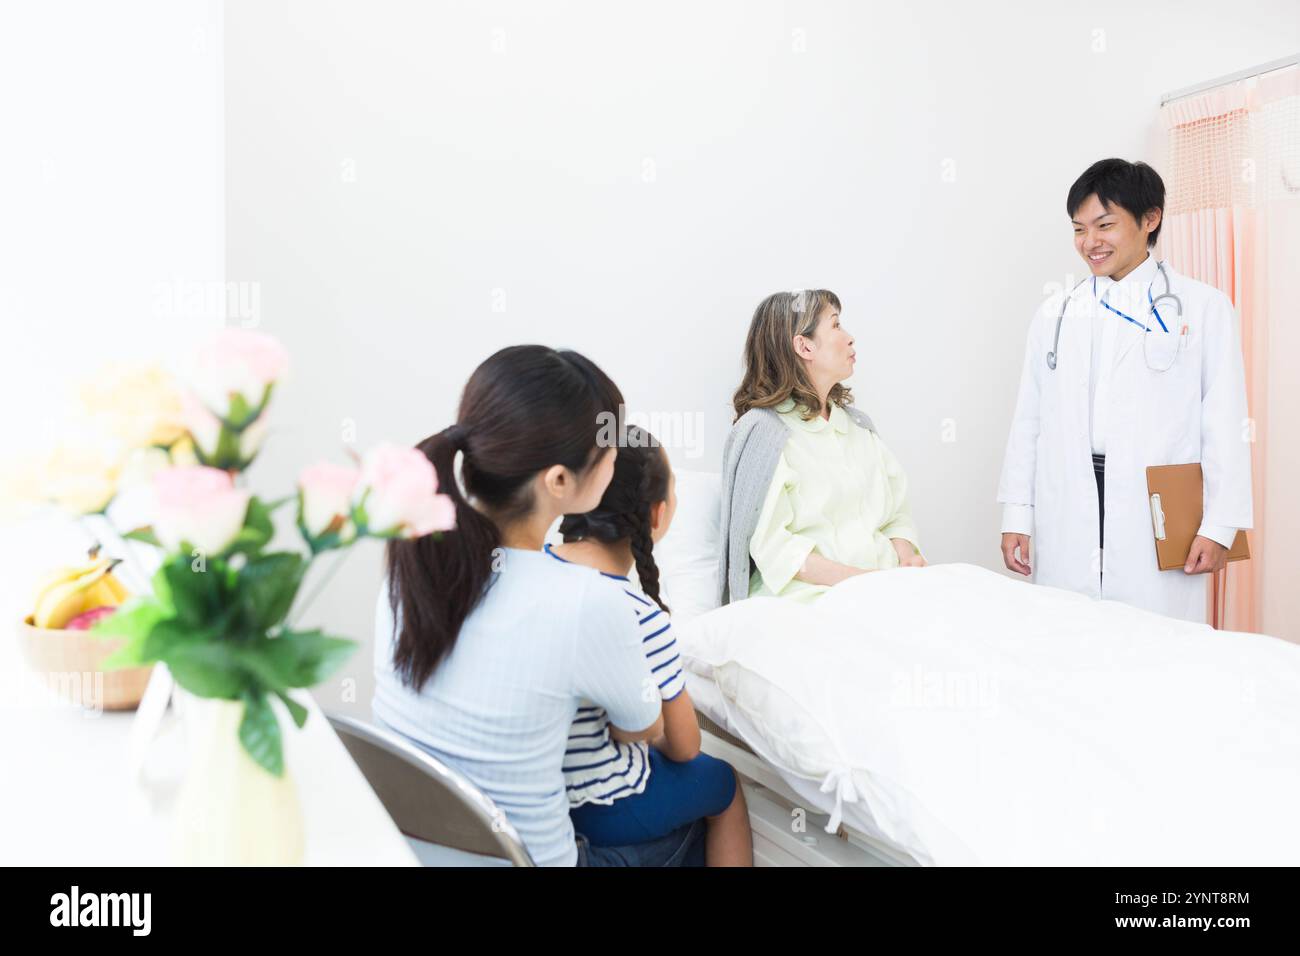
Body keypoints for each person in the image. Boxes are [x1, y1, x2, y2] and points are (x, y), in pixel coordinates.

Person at [373, 345, 706, 866]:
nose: (615, 455)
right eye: (606, 449)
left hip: (406, 851)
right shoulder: (587, 601)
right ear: (558, 481)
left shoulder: (414, 570)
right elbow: (645, 728)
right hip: (530, 859)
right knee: (700, 818)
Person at [997, 158, 1252, 621]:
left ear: (1150, 219)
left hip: (1153, 507)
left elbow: (1225, 421)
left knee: (1156, 650)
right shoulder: (1056, 314)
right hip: (1069, 496)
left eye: (1105, 225)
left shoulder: (1203, 307)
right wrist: (1017, 513)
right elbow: (1029, 420)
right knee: (1067, 637)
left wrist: (1221, 526)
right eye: (1079, 229)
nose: (1089, 243)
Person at [550, 424, 752, 866]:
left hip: (542, 800)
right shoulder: (639, 614)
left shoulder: (533, 576)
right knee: (723, 782)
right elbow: (684, 747)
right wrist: (648, 727)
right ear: (657, 516)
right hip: (604, 809)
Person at [717, 289, 923, 607]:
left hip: (887, 590)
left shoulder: (859, 428)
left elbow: (896, 516)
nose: (850, 337)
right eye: (836, 325)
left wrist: (906, 558)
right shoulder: (765, 435)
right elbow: (775, 547)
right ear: (804, 346)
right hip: (810, 601)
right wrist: (865, 583)